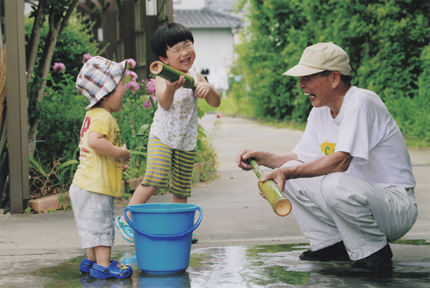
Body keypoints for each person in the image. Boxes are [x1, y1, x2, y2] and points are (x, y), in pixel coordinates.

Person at [236, 42, 418, 274]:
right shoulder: (319, 111)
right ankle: (332, 245)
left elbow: (341, 161)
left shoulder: (361, 102)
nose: (301, 84)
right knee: (291, 169)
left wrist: (287, 172)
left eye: (308, 77)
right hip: (361, 198)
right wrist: (265, 158)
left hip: (395, 205)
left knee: (332, 181)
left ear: (334, 78)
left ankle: (374, 254)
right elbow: (299, 159)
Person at [115, 23, 221, 243]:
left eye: (188, 45)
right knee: (155, 178)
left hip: (185, 141)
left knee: (181, 188)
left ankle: (179, 228)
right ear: (164, 59)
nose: (185, 52)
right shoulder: (163, 75)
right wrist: (172, 88)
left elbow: (216, 102)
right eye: (176, 49)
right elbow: (163, 103)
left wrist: (209, 89)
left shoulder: (195, 75)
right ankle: (127, 218)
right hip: (162, 137)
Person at [70, 56, 133, 279]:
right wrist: (121, 153)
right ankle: (104, 266)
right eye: (122, 84)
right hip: (95, 187)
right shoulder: (103, 116)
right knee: (102, 226)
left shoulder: (93, 114)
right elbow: (95, 142)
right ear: (107, 94)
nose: (126, 88)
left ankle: (91, 261)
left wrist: (115, 163)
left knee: (90, 228)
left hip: (84, 184)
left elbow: (97, 152)